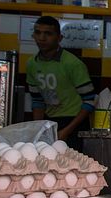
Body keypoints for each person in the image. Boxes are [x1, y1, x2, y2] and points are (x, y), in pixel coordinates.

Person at [26, 16, 95, 150]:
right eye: (38, 33)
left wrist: (66, 131)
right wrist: (38, 130)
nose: (42, 38)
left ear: (59, 38)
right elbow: (37, 100)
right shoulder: (32, 64)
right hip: (50, 122)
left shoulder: (72, 64)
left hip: (74, 124)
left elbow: (90, 102)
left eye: (48, 34)